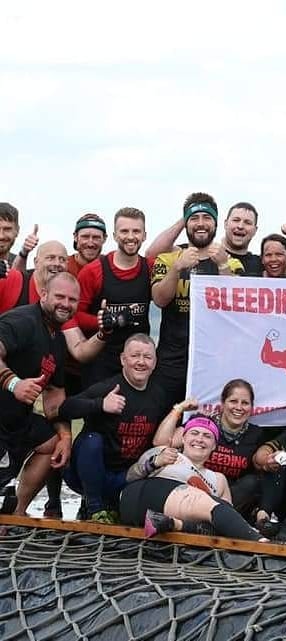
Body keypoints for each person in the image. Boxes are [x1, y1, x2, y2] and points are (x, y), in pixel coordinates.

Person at [58, 333, 167, 523]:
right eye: (135, 356)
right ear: (123, 359)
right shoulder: (108, 388)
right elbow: (65, 408)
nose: (141, 362)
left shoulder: (159, 395)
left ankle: (114, 504)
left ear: (155, 362)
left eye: (147, 357)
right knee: (92, 440)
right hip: (88, 473)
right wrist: (100, 404)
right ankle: (94, 507)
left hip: (127, 476)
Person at [120, 413, 265, 542]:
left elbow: (227, 517)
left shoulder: (218, 479)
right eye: (194, 433)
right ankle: (260, 541)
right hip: (144, 497)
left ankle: (174, 524)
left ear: (214, 445)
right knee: (212, 505)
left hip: (174, 516)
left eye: (207, 436)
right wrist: (154, 462)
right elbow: (130, 477)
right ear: (183, 438)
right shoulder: (168, 453)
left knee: (223, 518)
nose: (200, 439)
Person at [0, 272, 77, 514]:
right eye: (60, 296)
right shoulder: (22, 321)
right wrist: (13, 383)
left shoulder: (57, 340)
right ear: (43, 294)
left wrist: (65, 436)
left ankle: (15, 515)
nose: (65, 304)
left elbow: (54, 396)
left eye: (72, 299)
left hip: (16, 420)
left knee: (52, 443)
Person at [151, 193, 232, 406]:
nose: (201, 223)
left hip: (213, 360)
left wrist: (223, 266)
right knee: (165, 417)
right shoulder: (167, 258)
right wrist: (177, 268)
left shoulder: (229, 261)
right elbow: (159, 299)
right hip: (171, 360)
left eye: (207, 217)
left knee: (205, 422)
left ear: (216, 223)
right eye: (194, 218)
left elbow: (234, 307)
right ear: (186, 224)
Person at [153, 379, 273, 519]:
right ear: (222, 403)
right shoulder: (203, 424)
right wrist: (179, 408)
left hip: (227, 498)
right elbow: (160, 442)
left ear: (251, 407)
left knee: (251, 482)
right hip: (190, 490)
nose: (239, 407)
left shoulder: (256, 434)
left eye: (245, 403)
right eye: (233, 401)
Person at [76, 207, 153, 387]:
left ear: (144, 235)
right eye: (124, 231)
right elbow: (75, 315)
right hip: (100, 363)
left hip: (138, 365)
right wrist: (106, 321)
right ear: (114, 235)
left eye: (136, 231)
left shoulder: (151, 268)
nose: (130, 237)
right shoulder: (93, 271)